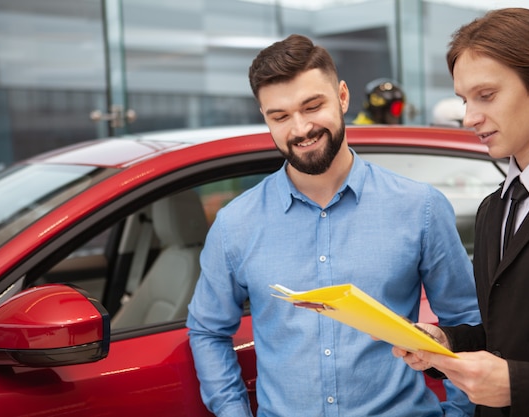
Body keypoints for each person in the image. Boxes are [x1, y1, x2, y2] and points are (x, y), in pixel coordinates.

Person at [187, 34, 481, 417]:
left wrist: (460, 413)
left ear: (342, 97)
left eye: (312, 106)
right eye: (280, 116)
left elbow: (466, 322)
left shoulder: (420, 207)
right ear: (266, 118)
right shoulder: (235, 223)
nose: (300, 128)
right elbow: (208, 331)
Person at [392, 8, 529, 417]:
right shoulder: (496, 206)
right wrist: (449, 341)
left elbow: (518, 369)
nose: (469, 117)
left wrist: (517, 385)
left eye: (486, 95)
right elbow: (509, 337)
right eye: (464, 100)